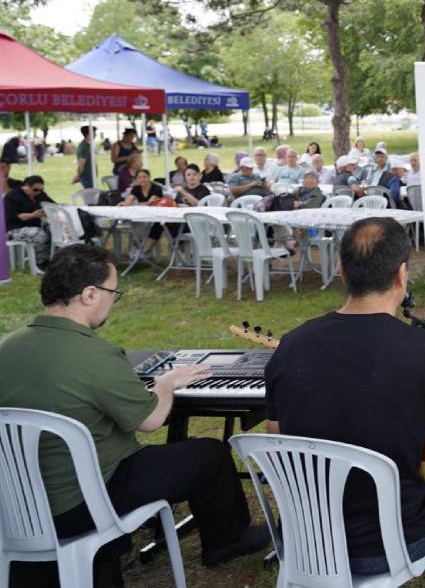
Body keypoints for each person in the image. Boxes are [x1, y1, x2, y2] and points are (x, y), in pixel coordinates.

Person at [264, 218, 425, 585]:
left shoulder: (290, 344)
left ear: (342, 272)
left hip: (304, 539)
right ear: (402, 275)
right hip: (384, 549)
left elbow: (276, 435)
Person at [0, 245, 269, 586]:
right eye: (114, 292)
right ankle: (226, 542)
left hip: (13, 505)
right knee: (209, 453)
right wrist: (167, 384)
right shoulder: (95, 354)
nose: (114, 300)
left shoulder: (6, 347)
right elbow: (151, 420)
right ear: (89, 294)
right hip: (82, 502)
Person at [4, 175, 54, 265]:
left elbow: (52, 205)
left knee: (55, 230)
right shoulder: (13, 196)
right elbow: (13, 216)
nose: (38, 192)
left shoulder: (40, 195)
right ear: (26, 185)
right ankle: (42, 262)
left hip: (35, 225)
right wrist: (33, 215)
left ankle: (54, 258)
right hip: (14, 229)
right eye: (35, 190)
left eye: (41, 190)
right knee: (39, 234)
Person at [71, 124, 95, 189]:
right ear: (88, 135)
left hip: (90, 176)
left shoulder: (87, 145)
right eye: (94, 133)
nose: (95, 135)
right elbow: (81, 164)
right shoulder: (85, 147)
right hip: (88, 177)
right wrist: (78, 176)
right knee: (90, 197)